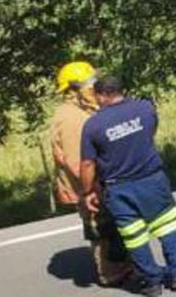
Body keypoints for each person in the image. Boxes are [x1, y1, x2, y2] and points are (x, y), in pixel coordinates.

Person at [79, 76, 176, 296]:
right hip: (152, 180)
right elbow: (151, 131)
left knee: (134, 236)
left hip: (119, 189)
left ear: (100, 95)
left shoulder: (92, 125)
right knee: (167, 227)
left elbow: (87, 163)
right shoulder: (145, 108)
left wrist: (88, 191)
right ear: (120, 90)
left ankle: (152, 282)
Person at [49, 61, 134, 288]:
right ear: (74, 89)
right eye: (89, 84)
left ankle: (121, 264)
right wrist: (93, 189)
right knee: (100, 227)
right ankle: (111, 272)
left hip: (97, 182)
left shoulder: (81, 110)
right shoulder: (70, 119)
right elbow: (79, 163)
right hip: (88, 185)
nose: (94, 88)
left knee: (110, 224)